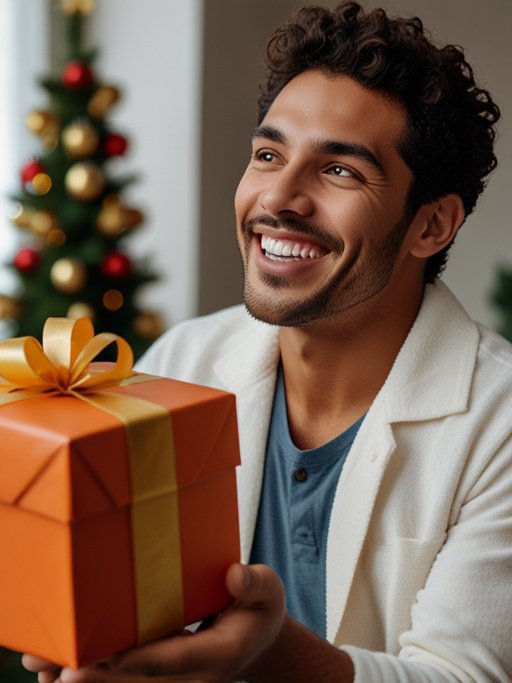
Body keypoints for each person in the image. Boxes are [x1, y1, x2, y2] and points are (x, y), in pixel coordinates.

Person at [24, 2, 512, 682]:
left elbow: (465, 675)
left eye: (339, 170)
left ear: (432, 225)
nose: (278, 197)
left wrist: (273, 653)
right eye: (267, 154)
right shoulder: (182, 362)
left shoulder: (501, 422)